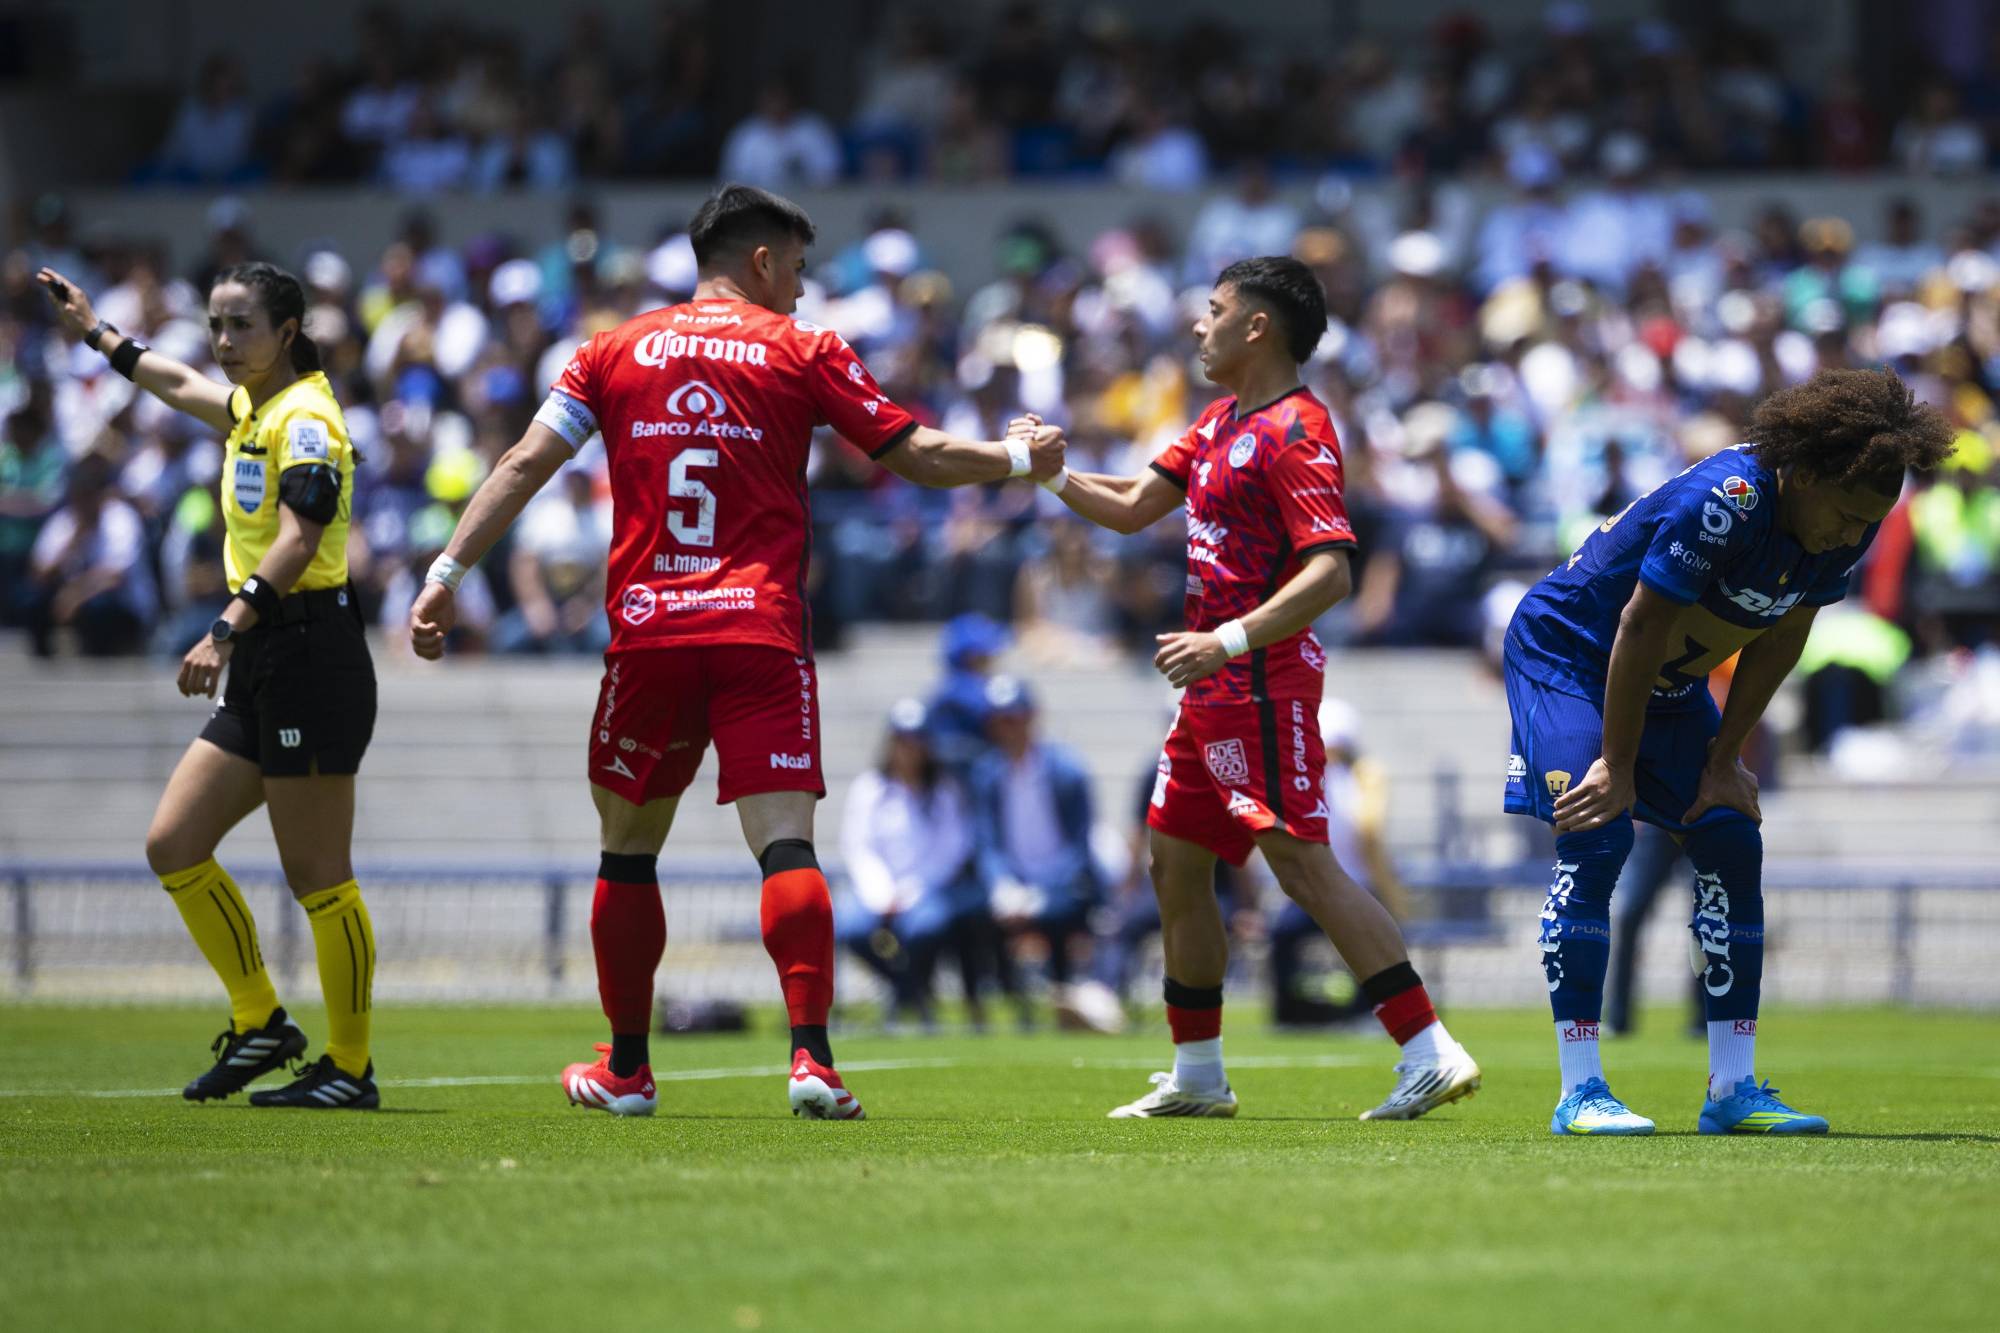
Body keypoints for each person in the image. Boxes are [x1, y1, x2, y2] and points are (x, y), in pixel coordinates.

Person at [408, 184, 1063, 1119]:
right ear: (761, 261)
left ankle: (627, 1070)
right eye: (795, 269)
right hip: (758, 628)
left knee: (628, 853)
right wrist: (1013, 462)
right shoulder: (801, 348)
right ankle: (812, 1062)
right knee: (785, 842)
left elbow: (520, 463)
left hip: (649, 632)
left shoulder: (608, 349)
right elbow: (908, 453)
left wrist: (444, 572)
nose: (801, 290)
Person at [1026, 255, 1482, 1120]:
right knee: (1172, 860)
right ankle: (1198, 1071)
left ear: (1257, 326)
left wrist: (1226, 639)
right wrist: (1048, 473)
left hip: (1257, 679)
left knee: (1303, 864)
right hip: (1210, 686)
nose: (1199, 325)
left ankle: (1429, 1047)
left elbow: (1332, 572)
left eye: (1214, 310)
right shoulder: (1217, 420)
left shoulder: (1298, 429)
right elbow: (1128, 504)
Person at [1503, 367, 1953, 1135]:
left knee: (1730, 837)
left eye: (1866, 522)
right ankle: (1580, 1089)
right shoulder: (1729, 500)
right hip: (1572, 656)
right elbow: (1638, 626)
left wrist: (1725, 757)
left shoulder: (1853, 512)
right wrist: (1615, 762)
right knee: (1598, 831)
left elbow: (1785, 631)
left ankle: (1732, 1089)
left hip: (1668, 680)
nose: (1853, 535)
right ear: (1803, 474)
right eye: (1845, 515)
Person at [38, 261, 381, 1109]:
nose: (225, 342)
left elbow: (299, 541)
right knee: (174, 843)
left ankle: (349, 1064)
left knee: (318, 874)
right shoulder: (251, 405)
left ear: (288, 332)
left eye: (244, 326)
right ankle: (262, 1019)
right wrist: (96, 332)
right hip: (270, 657)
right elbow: (179, 380)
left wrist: (224, 626)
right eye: (218, 324)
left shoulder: (305, 419)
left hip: (308, 653)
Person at [837, 700, 986, 1028]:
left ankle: (908, 994)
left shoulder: (944, 791)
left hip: (925, 891)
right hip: (876, 891)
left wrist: (912, 891)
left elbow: (952, 848)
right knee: (849, 928)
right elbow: (859, 847)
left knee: (926, 929)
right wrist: (882, 892)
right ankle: (908, 990)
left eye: (917, 740)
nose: (910, 749)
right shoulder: (870, 789)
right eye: (903, 740)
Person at [968, 675, 1102, 1009]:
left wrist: (1039, 893)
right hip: (1012, 887)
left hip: (1060, 886)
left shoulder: (1066, 770)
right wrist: (1003, 886)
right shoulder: (986, 774)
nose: (1007, 729)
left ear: (1030, 717)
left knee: (1060, 915)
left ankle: (1065, 997)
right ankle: (999, 1006)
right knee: (966, 916)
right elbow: (987, 842)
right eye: (999, 721)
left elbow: (1078, 847)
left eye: (1014, 718)